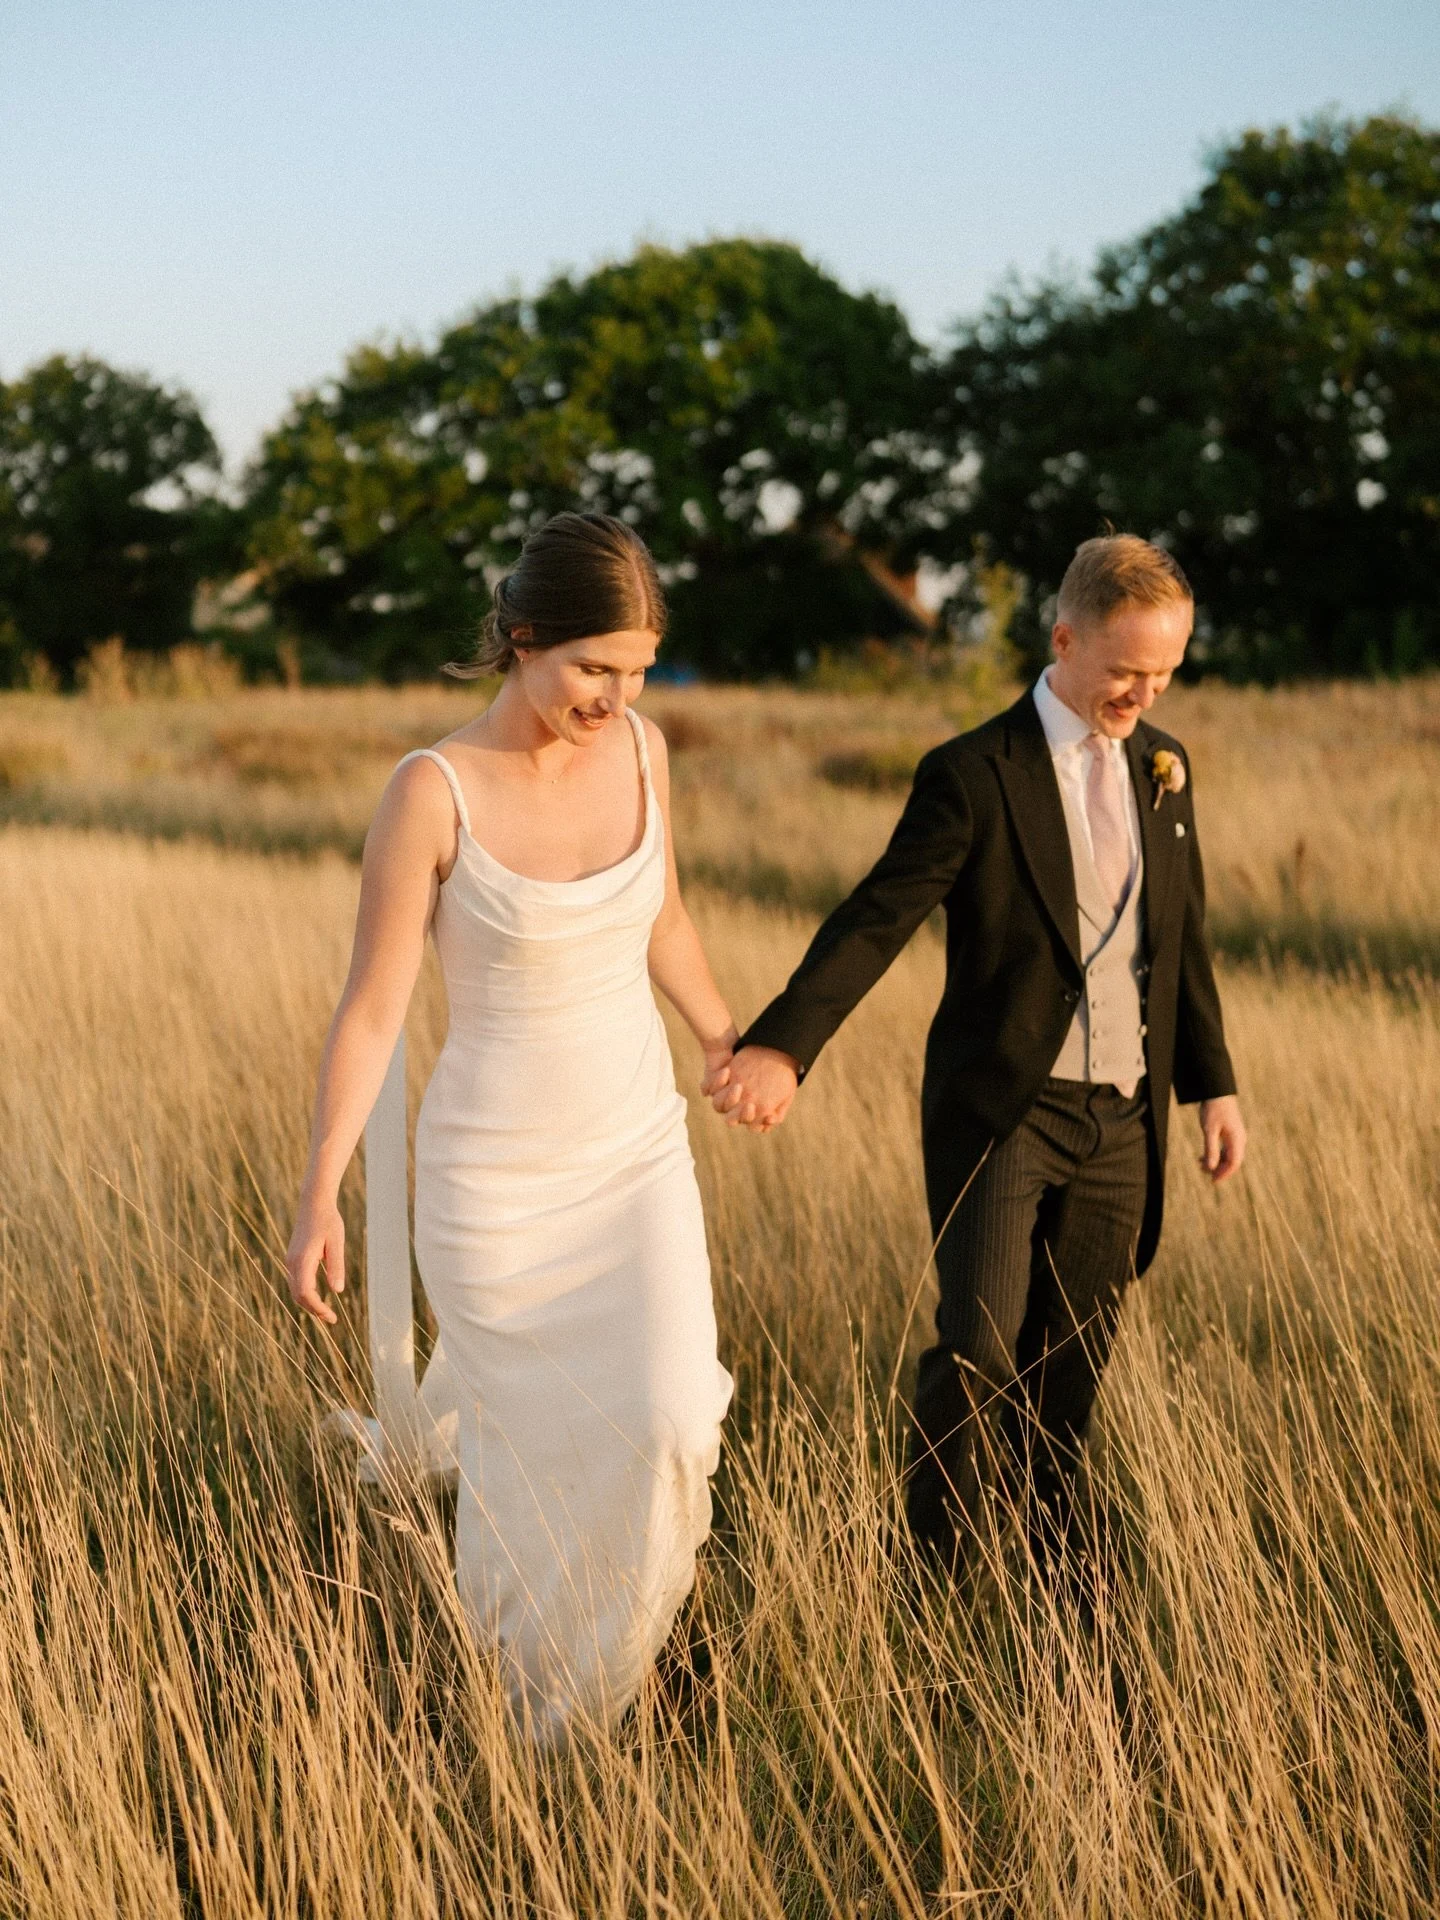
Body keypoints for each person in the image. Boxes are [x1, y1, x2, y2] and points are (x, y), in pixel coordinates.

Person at [708, 534, 1246, 1575]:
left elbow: (1180, 935)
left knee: (1072, 1369)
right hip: (1007, 1111)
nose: (1144, 693)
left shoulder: (1166, 770)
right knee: (978, 1356)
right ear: (1064, 638)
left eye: (1165, 673)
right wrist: (781, 1045)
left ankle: (1055, 1592)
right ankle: (940, 1587)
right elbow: (877, 918)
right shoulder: (974, 774)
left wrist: (1211, 1084)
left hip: (1124, 1123)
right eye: (1126, 670)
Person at [286, 512, 735, 1741]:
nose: (618, 695)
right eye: (596, 666)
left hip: (637, 1155)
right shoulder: (431, 794)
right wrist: (322, 1193)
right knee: (536, 1463)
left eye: (637, 671)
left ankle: (616, 1669)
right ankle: (548, 1724)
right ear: (523, 637)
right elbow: (374, 1009)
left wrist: (717, 1037)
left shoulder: (641, 752)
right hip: (498, 1183)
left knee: (667, 1417)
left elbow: (665, 926)